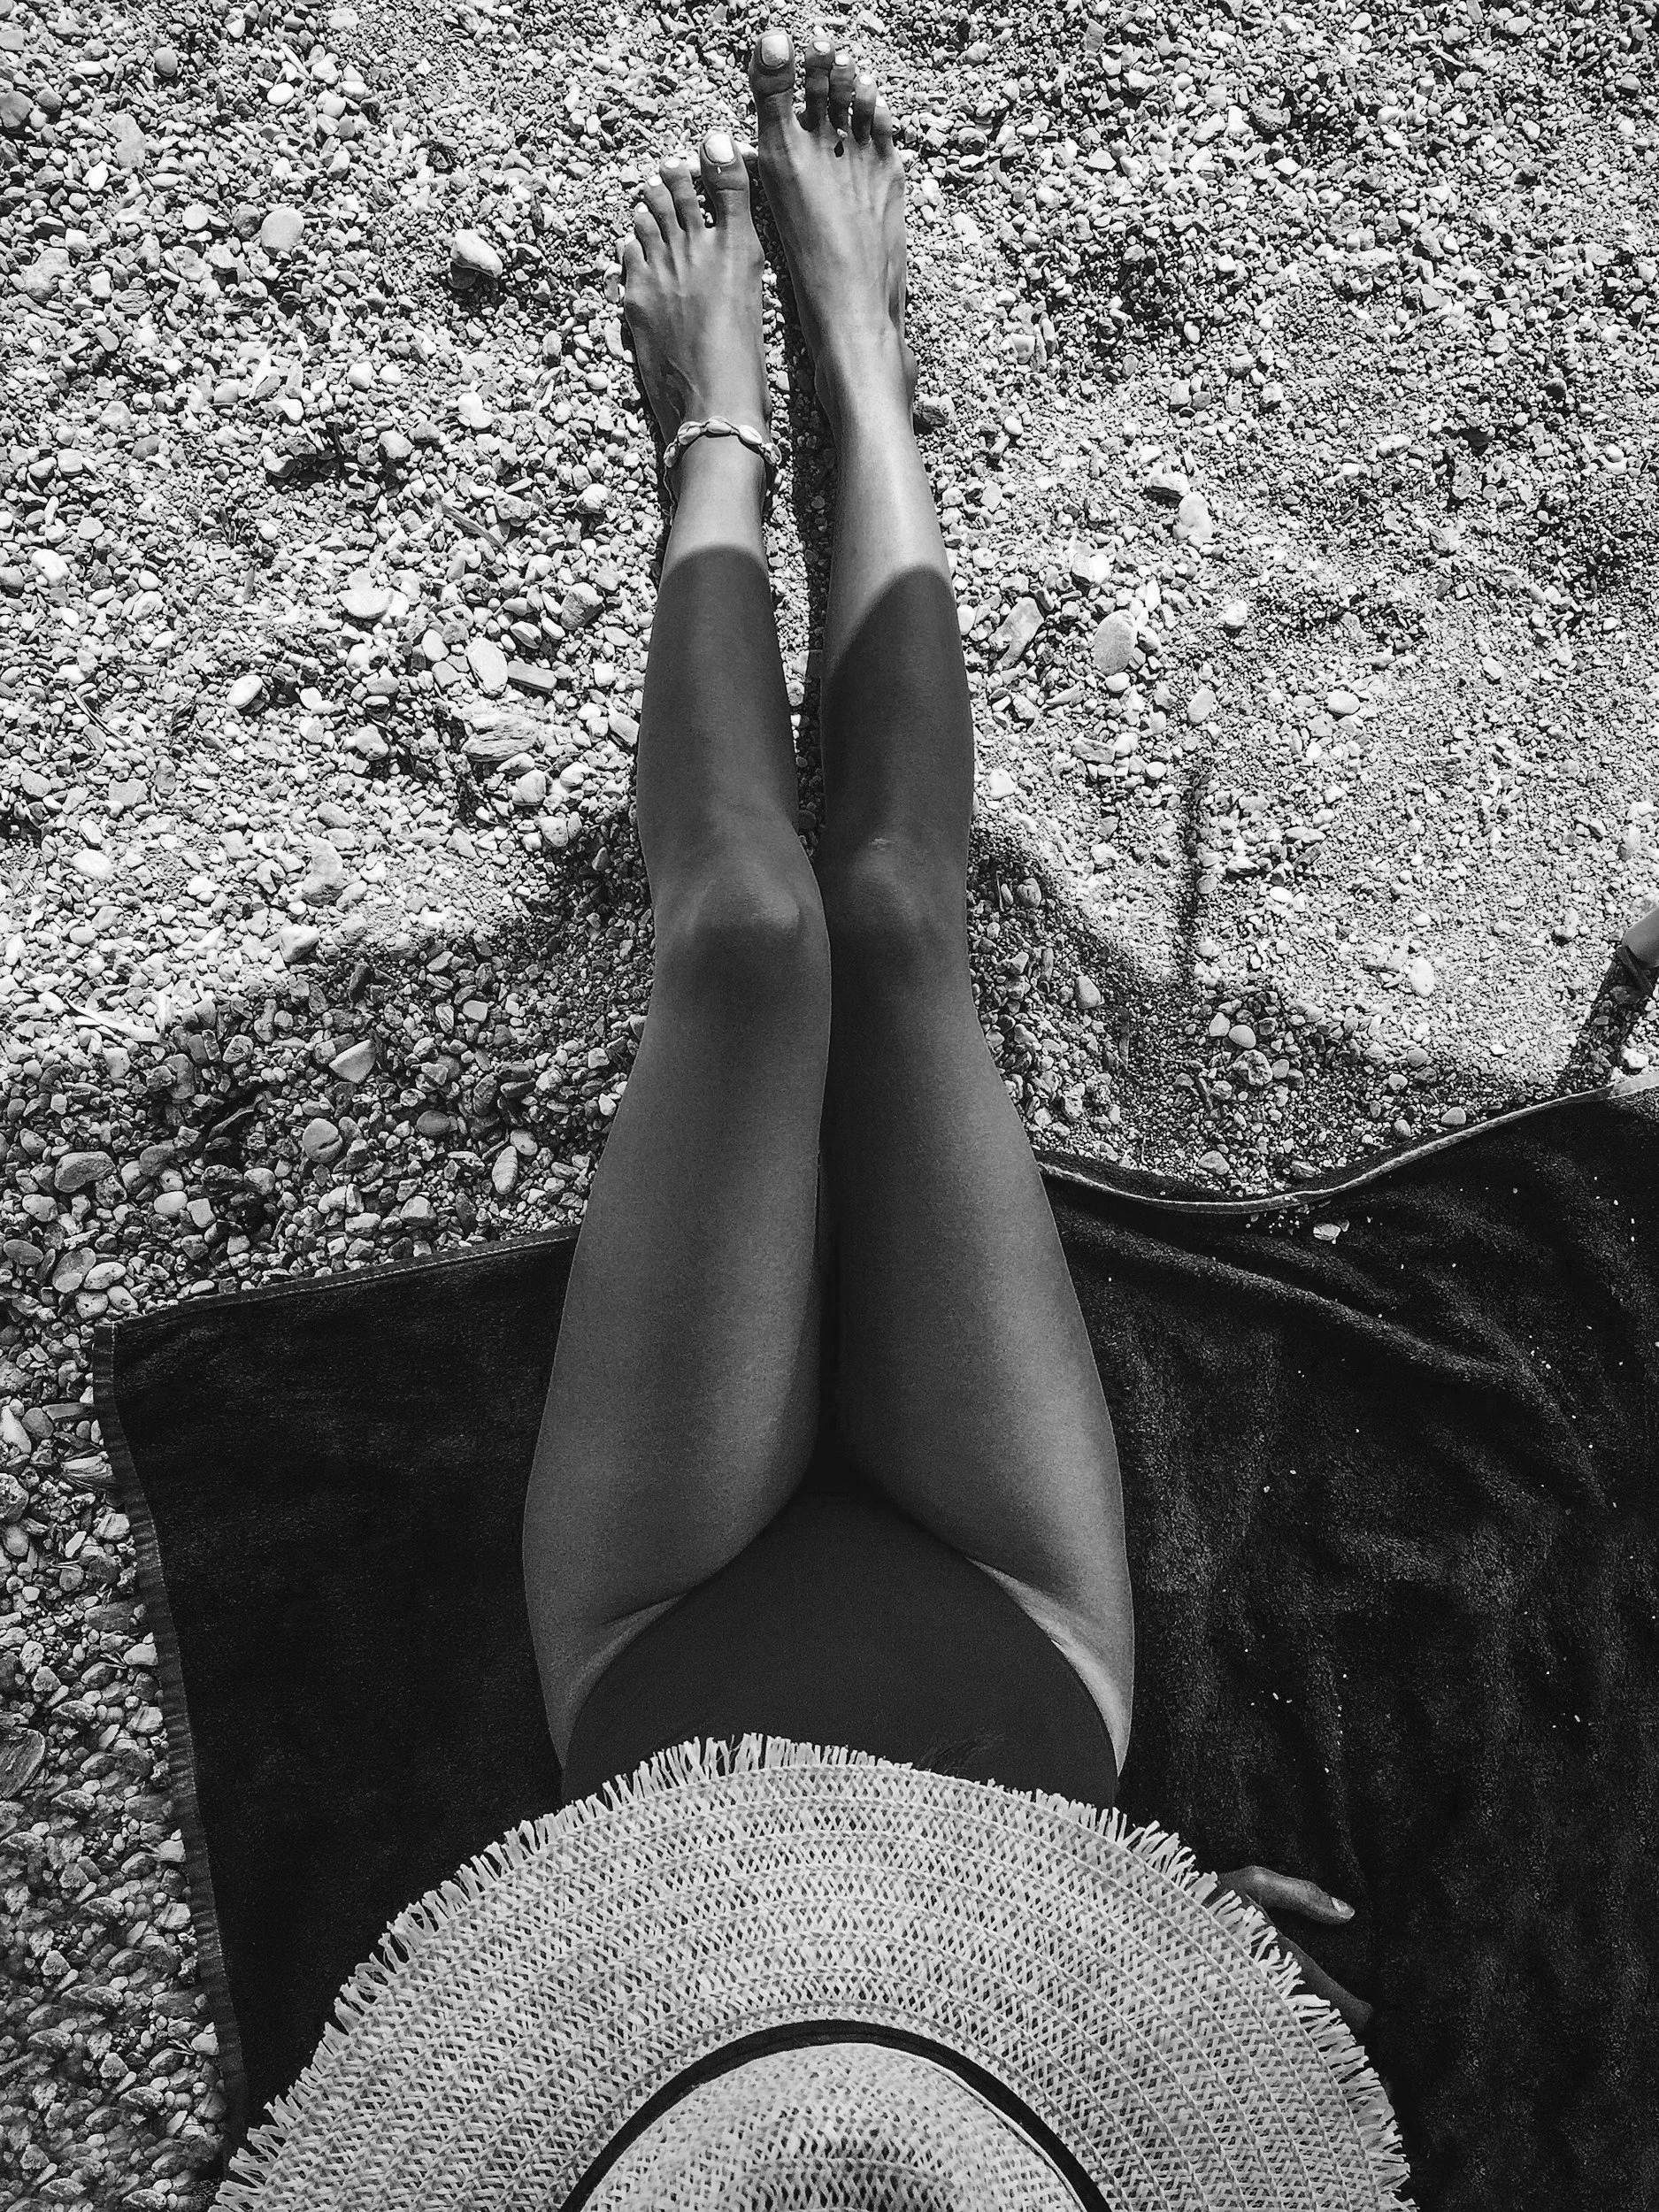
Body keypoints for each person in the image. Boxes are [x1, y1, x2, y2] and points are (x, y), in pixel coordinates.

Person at [516, 25, 1379, 2045]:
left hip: (659, 1650)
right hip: (1021, 1652)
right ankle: (858, 353)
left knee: (748, 937)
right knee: (896, 918)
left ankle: (718, 427)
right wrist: (1178, 1981)